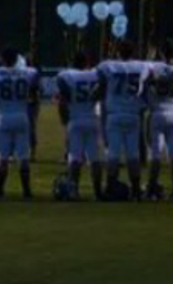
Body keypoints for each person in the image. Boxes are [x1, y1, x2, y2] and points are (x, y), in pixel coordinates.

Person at [97, 38, 152, 201]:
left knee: (113, 153)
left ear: (118, 52)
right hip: (133, 113)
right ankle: (135, 190)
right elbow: (150, 81)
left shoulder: (108, 66)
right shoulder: (142, 66)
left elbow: (100, 82)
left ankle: (111, 187)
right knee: (133, 154)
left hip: (114, 114)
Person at [140, 44, 173, 201]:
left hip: (157, 112)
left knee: (156, 153)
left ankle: (152, 188)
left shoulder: (151, 68)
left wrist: (158, 79)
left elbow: (144, 82)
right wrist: (171, 78)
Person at [0, 48, 40, 199]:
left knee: (3, 157)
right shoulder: (29, 73)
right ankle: (27, 191)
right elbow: (35, 93)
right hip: (22, 115)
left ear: (2, 58)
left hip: (4, 116)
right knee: (23, 157)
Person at [56, 50, 104, 199]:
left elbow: (62, 101)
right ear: (87, 62)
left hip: (76, 119)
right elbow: (101, 92)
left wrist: (64, 119)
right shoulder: (95, 75)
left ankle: (74, 190)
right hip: (93, 117)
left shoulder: (67, 76)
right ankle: (97, 192)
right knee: (95, 159)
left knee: (75, 158)